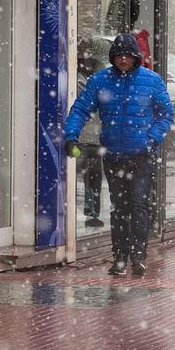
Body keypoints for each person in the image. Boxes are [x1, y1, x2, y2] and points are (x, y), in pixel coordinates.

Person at [63, 33, 174, 276]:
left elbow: (166, 114)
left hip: (141, 155)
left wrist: (151, 139)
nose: (123, 60)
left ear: (135, 57)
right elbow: (81, 108)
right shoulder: (100, 81)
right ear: (113, 57)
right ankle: (120, 256)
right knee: (119, 207)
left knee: (138, 204)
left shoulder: (152, 81)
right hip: (114, 154)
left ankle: (138, 255)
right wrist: (72, 134)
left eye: (128, 55)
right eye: (119, 55)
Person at [74, 38, 106, 228]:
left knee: (92, 174)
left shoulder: (98, 76)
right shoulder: (82, 77)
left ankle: (92, 210)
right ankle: (90, 209)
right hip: (84, 135)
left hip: (92, 136)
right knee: (89, 174)